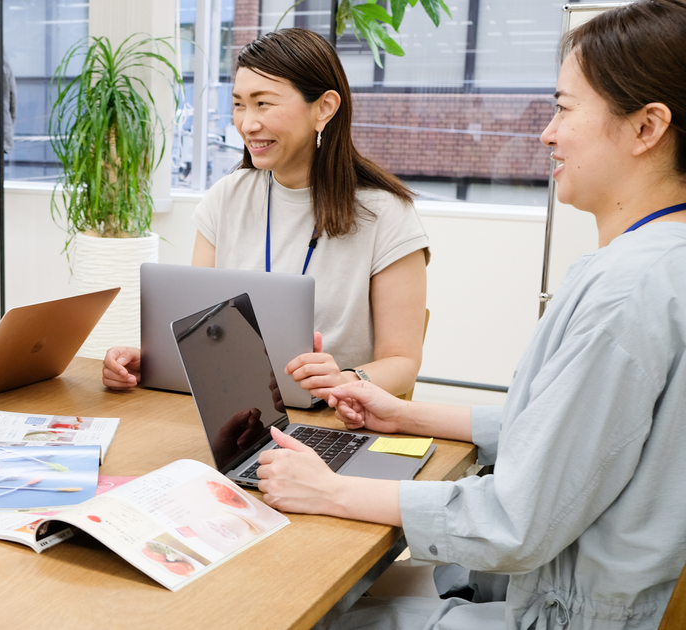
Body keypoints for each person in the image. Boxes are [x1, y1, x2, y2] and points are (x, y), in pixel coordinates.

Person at [257, 2, 686, 627]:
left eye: (564, 109)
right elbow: (567, 433)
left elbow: (514, 521)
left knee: (295, 607)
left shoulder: (627, 292)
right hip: (556, 587)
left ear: (647, 128)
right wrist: (406, 413)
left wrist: (330, 490)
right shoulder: (656, 265)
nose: (546, 132)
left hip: (552, 613)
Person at [103, 28, 428, 399]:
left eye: (263, 103)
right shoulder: (227, 196)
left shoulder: (385, 214)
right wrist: (152, 359)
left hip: (334, 421)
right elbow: (197, 330)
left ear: (324, 108)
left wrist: (348, 379)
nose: (247, 123)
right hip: (236, 404)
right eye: (239, 104)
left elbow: (402, 362)